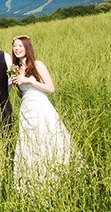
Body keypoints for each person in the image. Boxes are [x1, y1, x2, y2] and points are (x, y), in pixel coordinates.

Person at [9, 35, 73, 190]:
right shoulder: (16, 69)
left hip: (41, 107)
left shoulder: (37, 64)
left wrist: (29, 80)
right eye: (15, 46)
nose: (17, 49)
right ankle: (32, 179)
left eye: (20, 46)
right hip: (26, 108)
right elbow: (23, 93)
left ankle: (57, 176)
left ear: (27, 48)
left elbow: (51, 89)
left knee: (47, 138)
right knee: (29, 141)